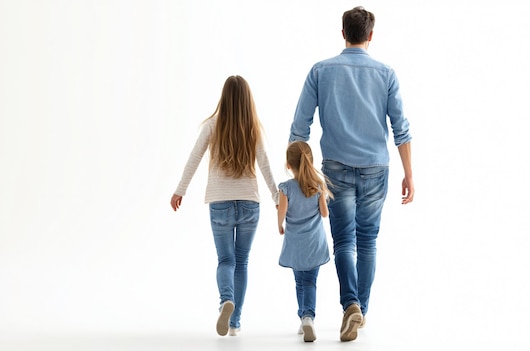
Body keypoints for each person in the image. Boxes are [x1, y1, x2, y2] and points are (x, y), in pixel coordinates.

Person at [288, 6, 414, 342]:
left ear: (343, 33)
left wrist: (301, 172)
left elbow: (300, 128)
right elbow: (401, 129)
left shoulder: (321, 71)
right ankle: (360, 311)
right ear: (370, 35)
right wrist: (409, 175)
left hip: (335, 169)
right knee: (368, 241)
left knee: (344, 240)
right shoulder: (386, 74)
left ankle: (351, 306)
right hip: (376, 168)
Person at [170, 75, 279, 337]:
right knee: (241, 262)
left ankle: (225, 301)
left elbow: (193, 158)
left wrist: (179, 191)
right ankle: (235, 323)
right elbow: (264, 163)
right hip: (250, 203)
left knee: (225, 260)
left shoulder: (211, 125)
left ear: (224, 97)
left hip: (219, 203)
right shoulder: (253, 126)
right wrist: (277, 197)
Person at [276, 141, 332, 343]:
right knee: (310, 281)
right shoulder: (317, 186)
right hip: (314, 243)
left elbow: (282, 211)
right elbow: (325, 214)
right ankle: (308, 317)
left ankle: (303, 316)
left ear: (288, 165)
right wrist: (322, 196)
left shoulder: (286, 188)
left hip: (295, 243)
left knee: (299, 281)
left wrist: (279, 225)